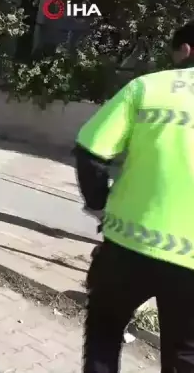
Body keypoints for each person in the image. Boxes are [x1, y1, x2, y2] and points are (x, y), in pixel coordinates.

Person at [75, 22, 194, 372]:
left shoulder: (148, 87)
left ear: (185, 50)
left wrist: (99, 204)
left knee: (104, 333)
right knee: (186, 357)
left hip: (128, 247)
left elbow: (91, 152)